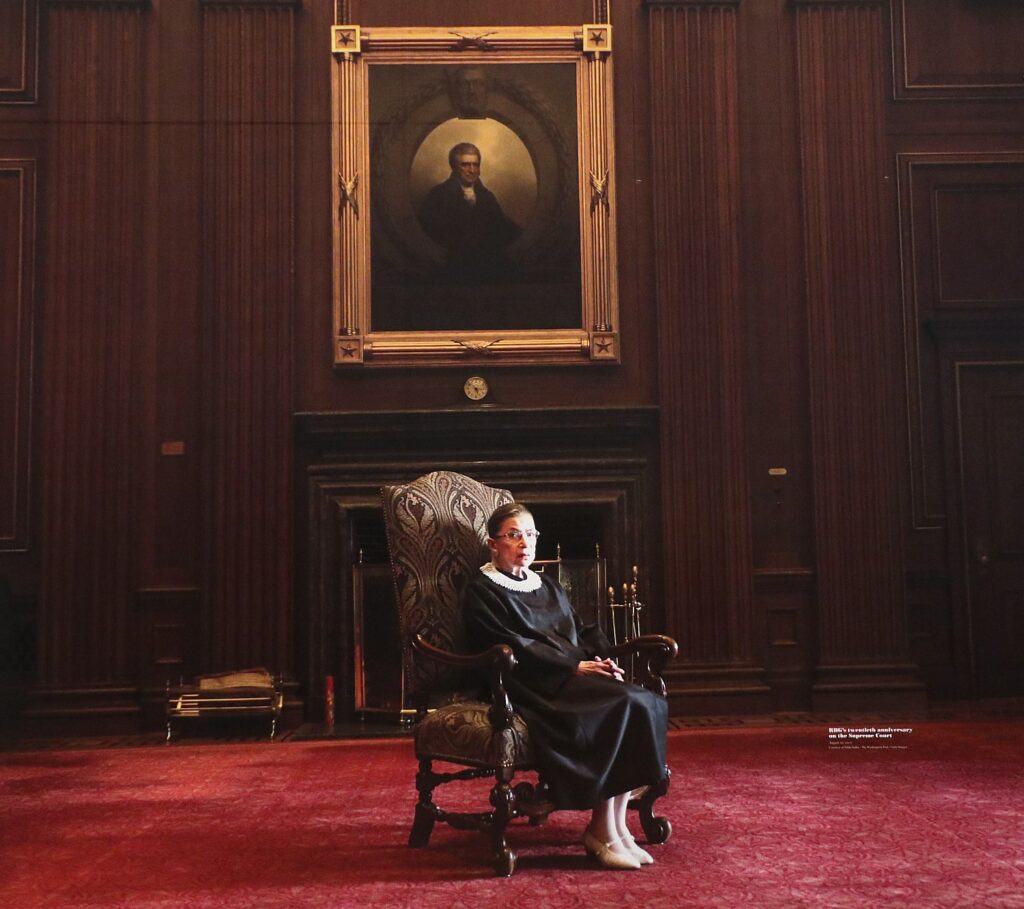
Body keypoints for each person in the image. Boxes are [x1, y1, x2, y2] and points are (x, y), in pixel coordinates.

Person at [462, 502, 669, 871]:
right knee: (622, 705)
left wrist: (603, 658)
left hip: (572, 673)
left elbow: (582, 628)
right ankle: (600, 830)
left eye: (530, 534)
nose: (524, 542)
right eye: (513, 534)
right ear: (493, 544)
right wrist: (573, 665)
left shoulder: (548, 585)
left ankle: (618, 827)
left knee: (644, 702)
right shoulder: (483, 591)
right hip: (534, 683)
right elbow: (511, 645)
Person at [416, 142, 522, 284]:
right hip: (451, 267)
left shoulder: (486, 196)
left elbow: (501, 225)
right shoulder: (438, 195)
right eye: (465, 165)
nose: (471, 170)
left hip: (487, 267)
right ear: (454, 167)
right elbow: (429, 233)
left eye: (475, 165)